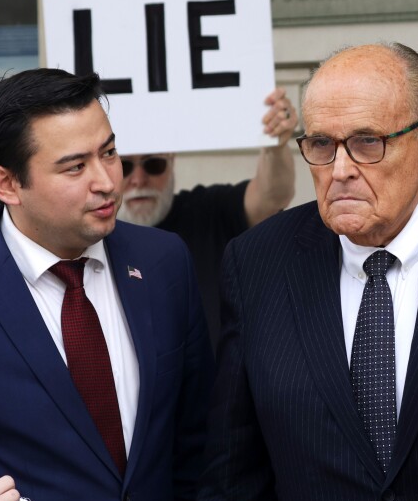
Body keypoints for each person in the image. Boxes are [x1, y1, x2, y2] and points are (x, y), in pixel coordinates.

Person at [195, 43, 418, 501]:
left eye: (367, 142)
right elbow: (232, 486)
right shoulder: (258, 263)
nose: (340, 169)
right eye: (321, 145)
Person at [0, 68, 213, 501]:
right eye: (75, 167)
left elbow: (199, 444)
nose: (108, 181)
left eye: (109, 153)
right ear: (7, 184)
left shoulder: (163, 262)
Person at [117, 87, 297, 347]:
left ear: (172, 160)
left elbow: (272, 195)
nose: (138, 179)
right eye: (124, 167)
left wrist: (275, 144)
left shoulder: (207, 212)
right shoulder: (89, 238)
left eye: (153, 164)